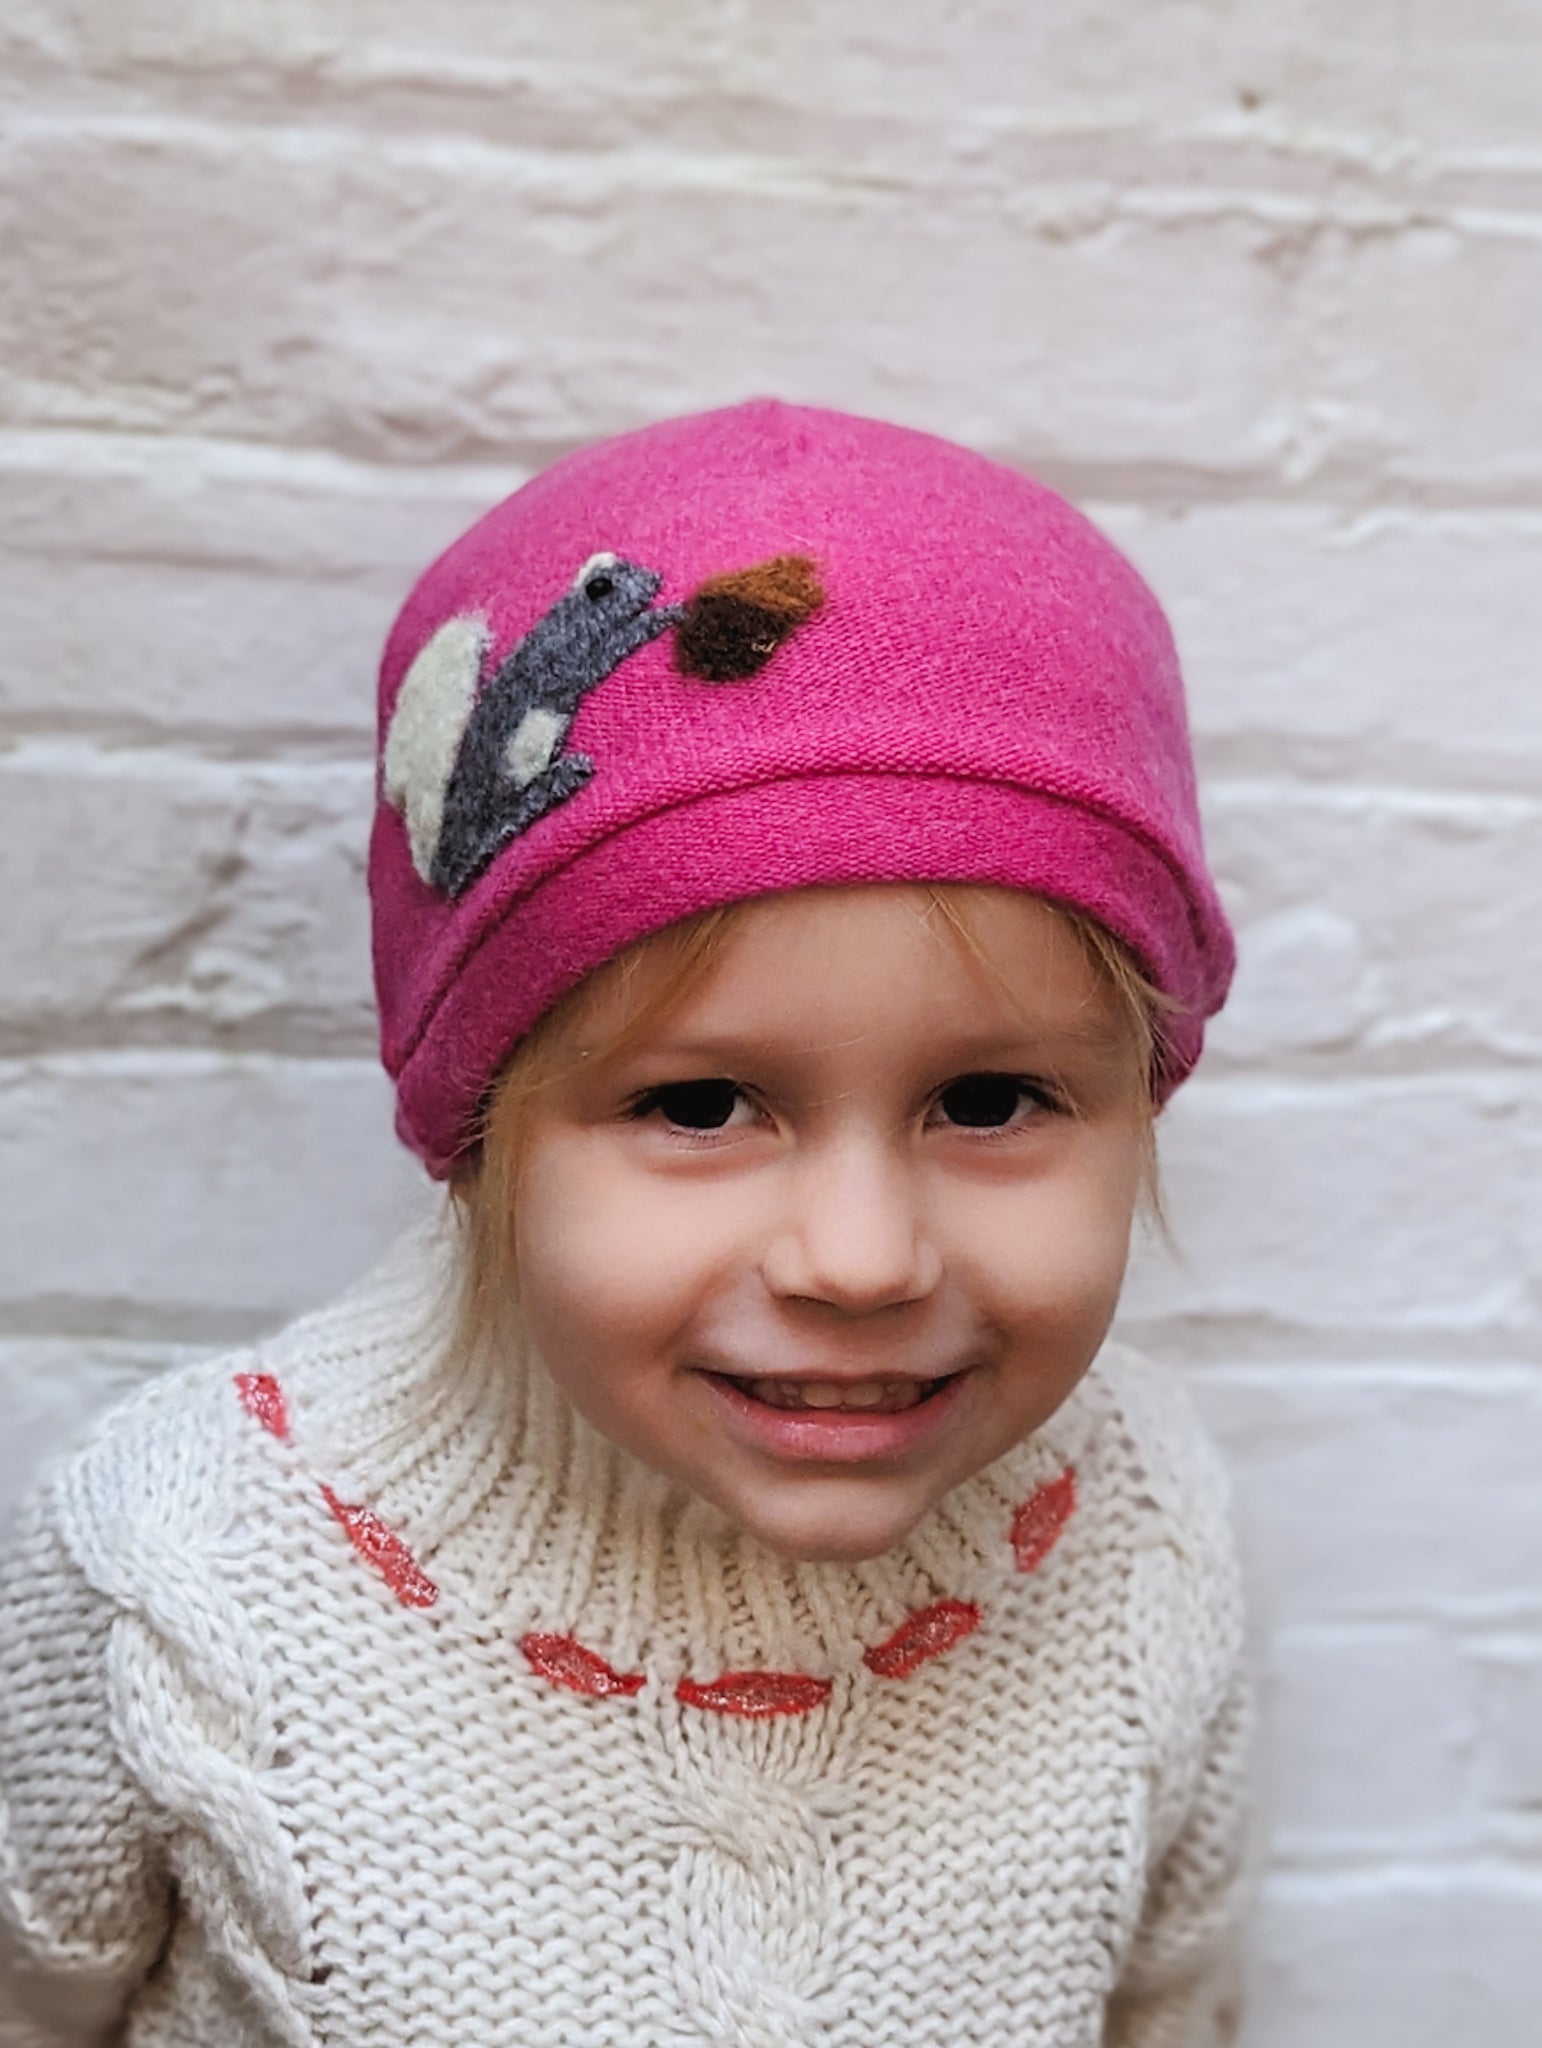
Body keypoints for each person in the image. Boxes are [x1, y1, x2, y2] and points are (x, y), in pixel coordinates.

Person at [0, 400, 1250, 2047]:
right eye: (698, 1105)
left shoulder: (1138, 1524)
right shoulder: (185, 1565)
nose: (862, 1261)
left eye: (991, 1100)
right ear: (476, 1125)